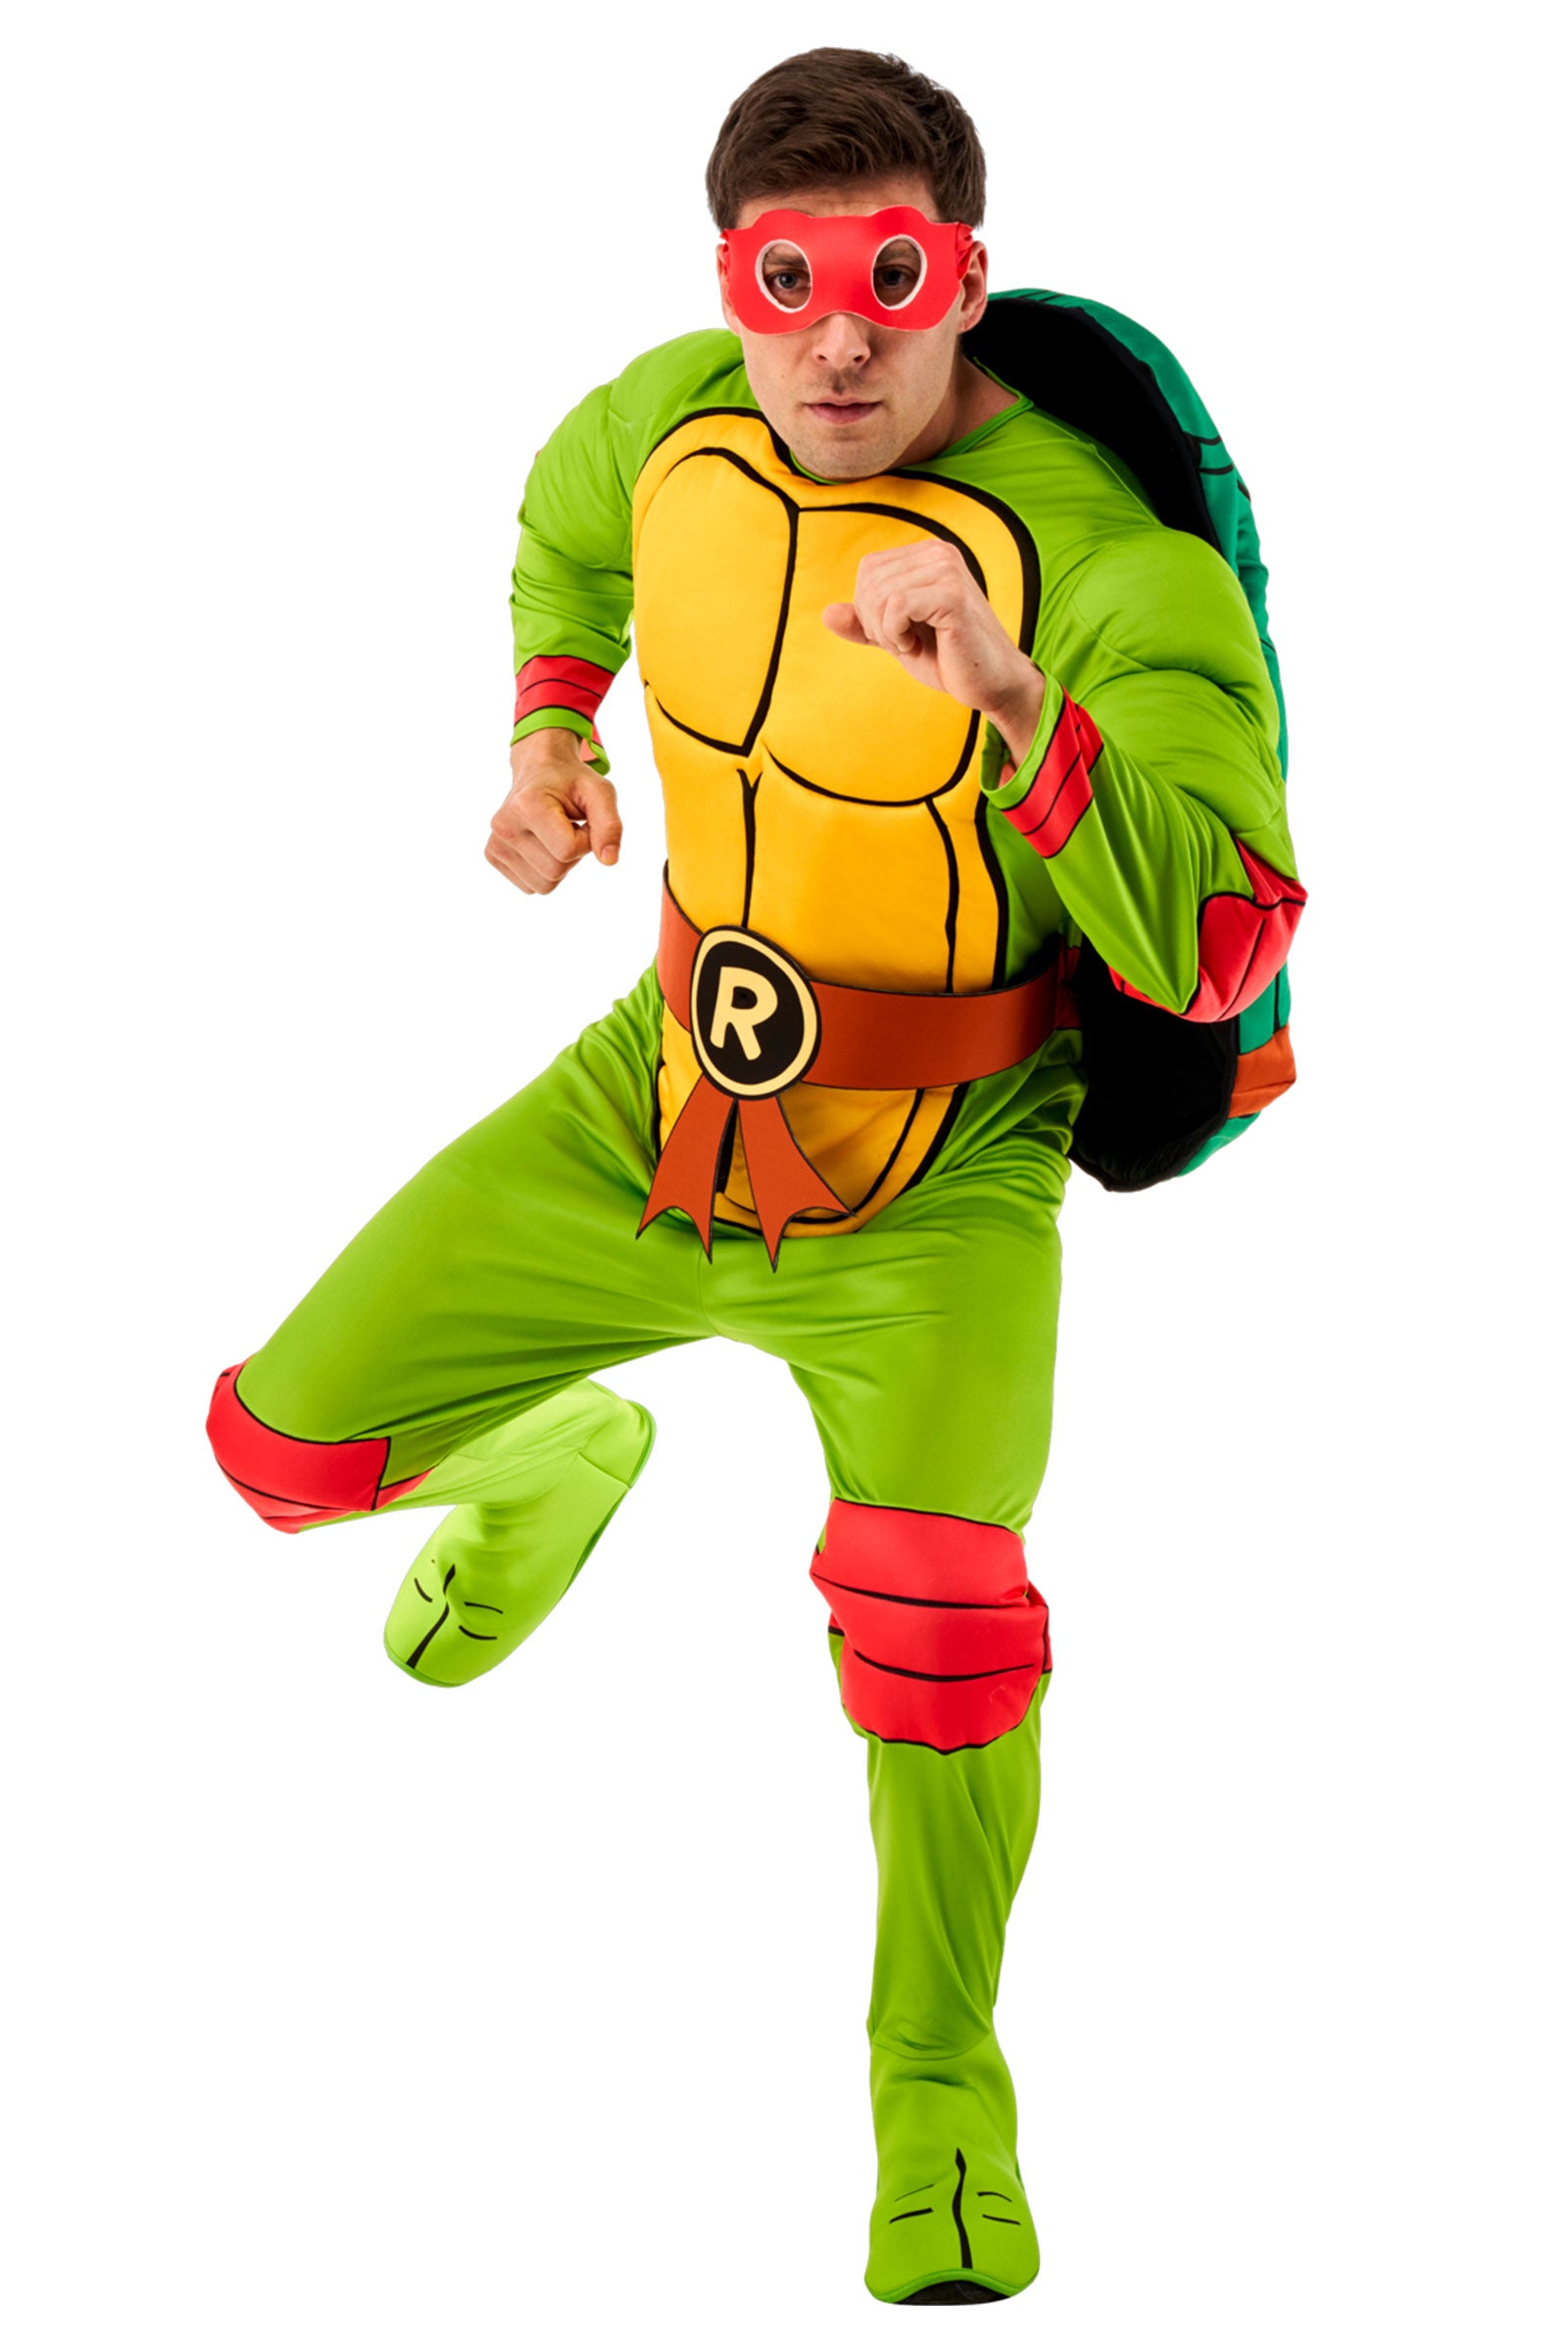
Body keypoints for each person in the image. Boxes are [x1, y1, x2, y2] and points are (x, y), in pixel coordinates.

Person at [206, 47, 1303, 2305]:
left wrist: (1013, 699)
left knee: (937, 1635)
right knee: (278, 1450)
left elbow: (1217, 930)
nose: (832, 347)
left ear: (963, 278)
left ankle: (938, 2089)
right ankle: (557, 1464)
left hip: (943, 1175)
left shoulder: (1103, 563)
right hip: (654, 1094)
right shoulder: (673, 419)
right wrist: (548, 729)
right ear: (729, 278)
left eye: (889, 281)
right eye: (783, 283)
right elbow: (567, 522)